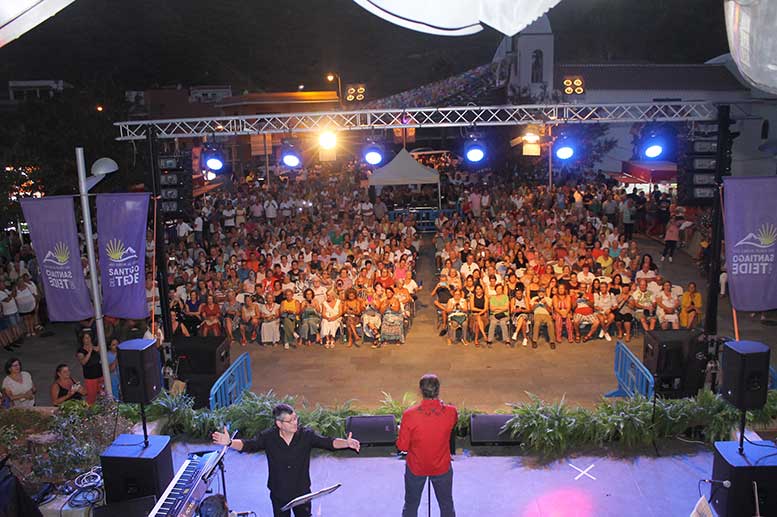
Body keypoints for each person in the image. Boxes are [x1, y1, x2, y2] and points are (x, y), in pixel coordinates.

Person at [211, 403, 360, 517]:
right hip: (279, 492)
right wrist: (230, 442)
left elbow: (329, 442)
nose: (295, 422)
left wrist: (346, 443)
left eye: (295, 418)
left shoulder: (306, 435)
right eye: (290, 421)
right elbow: (248, 445)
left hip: (302, 492)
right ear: (279, 424)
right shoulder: (268, 437)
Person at [396, 374, 457, 517]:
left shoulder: (409, 415)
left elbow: (402, 447)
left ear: (420, 390)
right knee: (447, 505)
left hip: (416, 467)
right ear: (438, 390)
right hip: (442, 467)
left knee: (411, 505)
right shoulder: (451, 412)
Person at [76, 332, 104, 405]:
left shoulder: (95, 348)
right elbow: (83, 362)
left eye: (89, 337)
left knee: (103, 393)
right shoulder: (80, 351)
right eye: (86, 338)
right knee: (92, 396)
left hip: (100, 375)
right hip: (90, 377)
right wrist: (90, 351)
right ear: (82, 340)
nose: (88, 339)